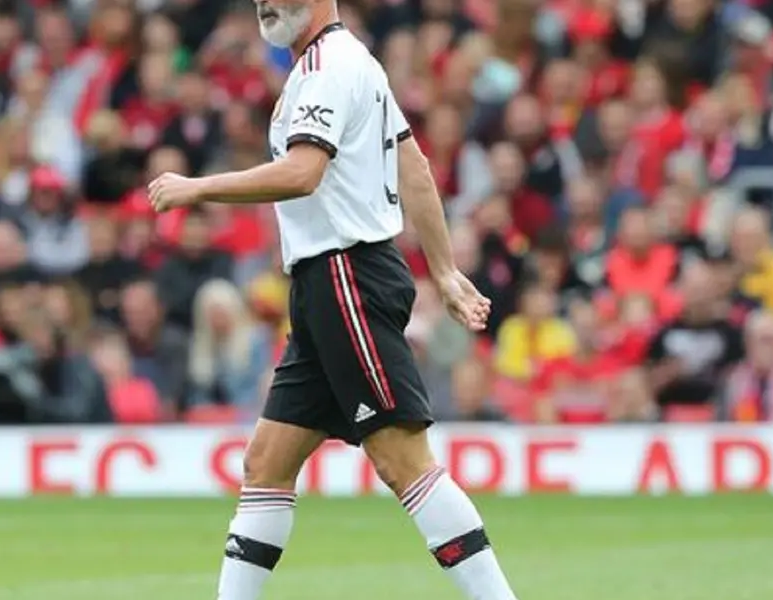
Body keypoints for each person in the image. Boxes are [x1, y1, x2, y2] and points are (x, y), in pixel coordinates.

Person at [147, 1, 515, 599]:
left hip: (347, 277)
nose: (265, 2)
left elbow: (302, 173)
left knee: (402, 461)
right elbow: (414, 166)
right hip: (327, 285)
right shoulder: (350, 63)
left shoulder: (328, 68)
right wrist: (444, 271)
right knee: (266, 463)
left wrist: (200, 188)